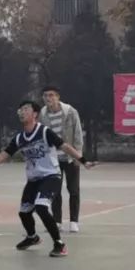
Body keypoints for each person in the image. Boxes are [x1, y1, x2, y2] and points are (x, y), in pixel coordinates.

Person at [0, 99, 90, 258]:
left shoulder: (44, 132)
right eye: (20, 110)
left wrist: (83, 161)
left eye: (26, 109)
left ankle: (59, 244)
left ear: (35, 114)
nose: (22, 112)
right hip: (34, 180)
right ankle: (32, 237)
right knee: (24, 213)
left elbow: (65, 146)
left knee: (41, 207)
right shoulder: (19, 138)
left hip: (51, 176)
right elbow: (4, 155)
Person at [39, 86, 84, 233]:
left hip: (70, 157)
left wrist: (78, 154)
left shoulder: (70, 112)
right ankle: (57, 222)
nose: (48, 98)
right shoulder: (42, 114)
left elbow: (77, 133)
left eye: (51, 95)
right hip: (53, 159)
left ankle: (74, 222)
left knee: (73, 190)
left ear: (58, 97)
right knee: (55, 192)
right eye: (45, 96)